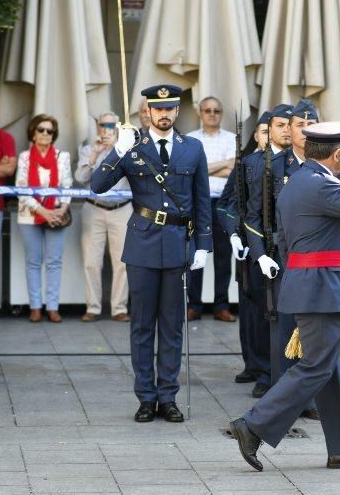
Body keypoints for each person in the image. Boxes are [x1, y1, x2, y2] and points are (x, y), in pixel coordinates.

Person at [229, 121, 340, 472]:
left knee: (334, 370)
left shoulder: (304, 180)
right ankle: (252, 425)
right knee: (317, 366)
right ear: (338, 152)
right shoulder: (319, 184)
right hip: (321, 288)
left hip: (315, 285)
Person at [91, 84, 212, 423]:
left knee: (172, 326)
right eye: (157, 109)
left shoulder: (192, 148)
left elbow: (202, 200)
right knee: (142, 325)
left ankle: (168, 396)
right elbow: (96, 186)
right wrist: (117, 150)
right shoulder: (133, 146)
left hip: (177, 242)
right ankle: (146, 397)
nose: (163, 114)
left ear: (176, 111)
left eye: (169, 108)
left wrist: (203, 244)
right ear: (147, 111)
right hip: (143, 243)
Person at [244, 100, 320, 420]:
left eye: (310, 125)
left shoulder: (328, 164)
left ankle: (309, 398)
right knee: (284, 330)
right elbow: (253, 216)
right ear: (288, 129)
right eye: (298, 125)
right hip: (283, 256)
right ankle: (282, 397)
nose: (304, 131)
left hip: (317, 258)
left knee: (315, 330)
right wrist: (260, 255)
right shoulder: (271, 166)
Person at [217, 111, 273, 398]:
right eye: (263, 131)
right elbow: (226, 205)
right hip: (250, 247)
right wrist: (234, 233)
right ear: (256, 136)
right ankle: (257, 365)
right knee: (252, 308)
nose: (268, 136)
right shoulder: (246, 165)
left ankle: (270, 367)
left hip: (276, 247)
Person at [75, 111, 132, 322]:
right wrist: (94, 155)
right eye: (103, 125)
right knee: (91, 261)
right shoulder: (88, 149)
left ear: (117, 128)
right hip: (94, 207)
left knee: (122, 262)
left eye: (111, 125)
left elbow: (134, 174)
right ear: (98, 127)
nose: (107, 129)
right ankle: (93, 307)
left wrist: (117, 149)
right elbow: (80, 178)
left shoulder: (126, 149)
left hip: (122, 208)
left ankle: (119, 308)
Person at [16, 114, 72, 323]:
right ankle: (35, 307)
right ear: (32, 133)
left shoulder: (62, 156)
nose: (46, 134)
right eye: (41, 130)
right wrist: (43, 211)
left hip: (57, 215)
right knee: (33, 261)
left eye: (50, 131)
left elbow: (67, 185)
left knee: (54, 262)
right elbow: (22, 188)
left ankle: (53, 307)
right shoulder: (24, 157)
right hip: (30, 215)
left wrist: (63, 208)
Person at [186, 96, 237, 322]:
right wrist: (221, 164)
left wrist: (202, 170)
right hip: (198, 203)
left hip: (223, 202)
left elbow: (233, 170)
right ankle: (194, 304)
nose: (212, 114)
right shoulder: (189, 139)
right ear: (200, 113)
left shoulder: (232, 138)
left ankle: (221, 305)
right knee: (196, 255)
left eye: (216, 110)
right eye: (208, 110)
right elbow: (188, 171)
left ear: (221, 113)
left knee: (223, 257)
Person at [0, 125, 17, 239]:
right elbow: (4, 169)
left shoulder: (4, 137)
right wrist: (0, 166)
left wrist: (4, 167)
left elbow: (9, 169)